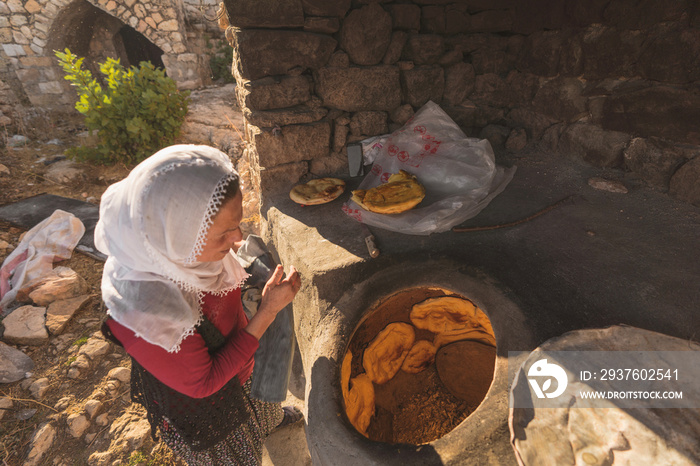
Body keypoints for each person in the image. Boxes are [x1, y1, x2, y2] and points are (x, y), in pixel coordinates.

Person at [95, 144, 302, 465]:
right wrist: (267, 312)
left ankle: (269, 422)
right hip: (211, 412)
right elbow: (205, 383)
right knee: (240, 457)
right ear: (175, 233)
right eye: (224, 232)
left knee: (261, 400)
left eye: (238, 223)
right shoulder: (147, 309)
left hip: (239, 363)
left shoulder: (187, 252)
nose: (237, 239)